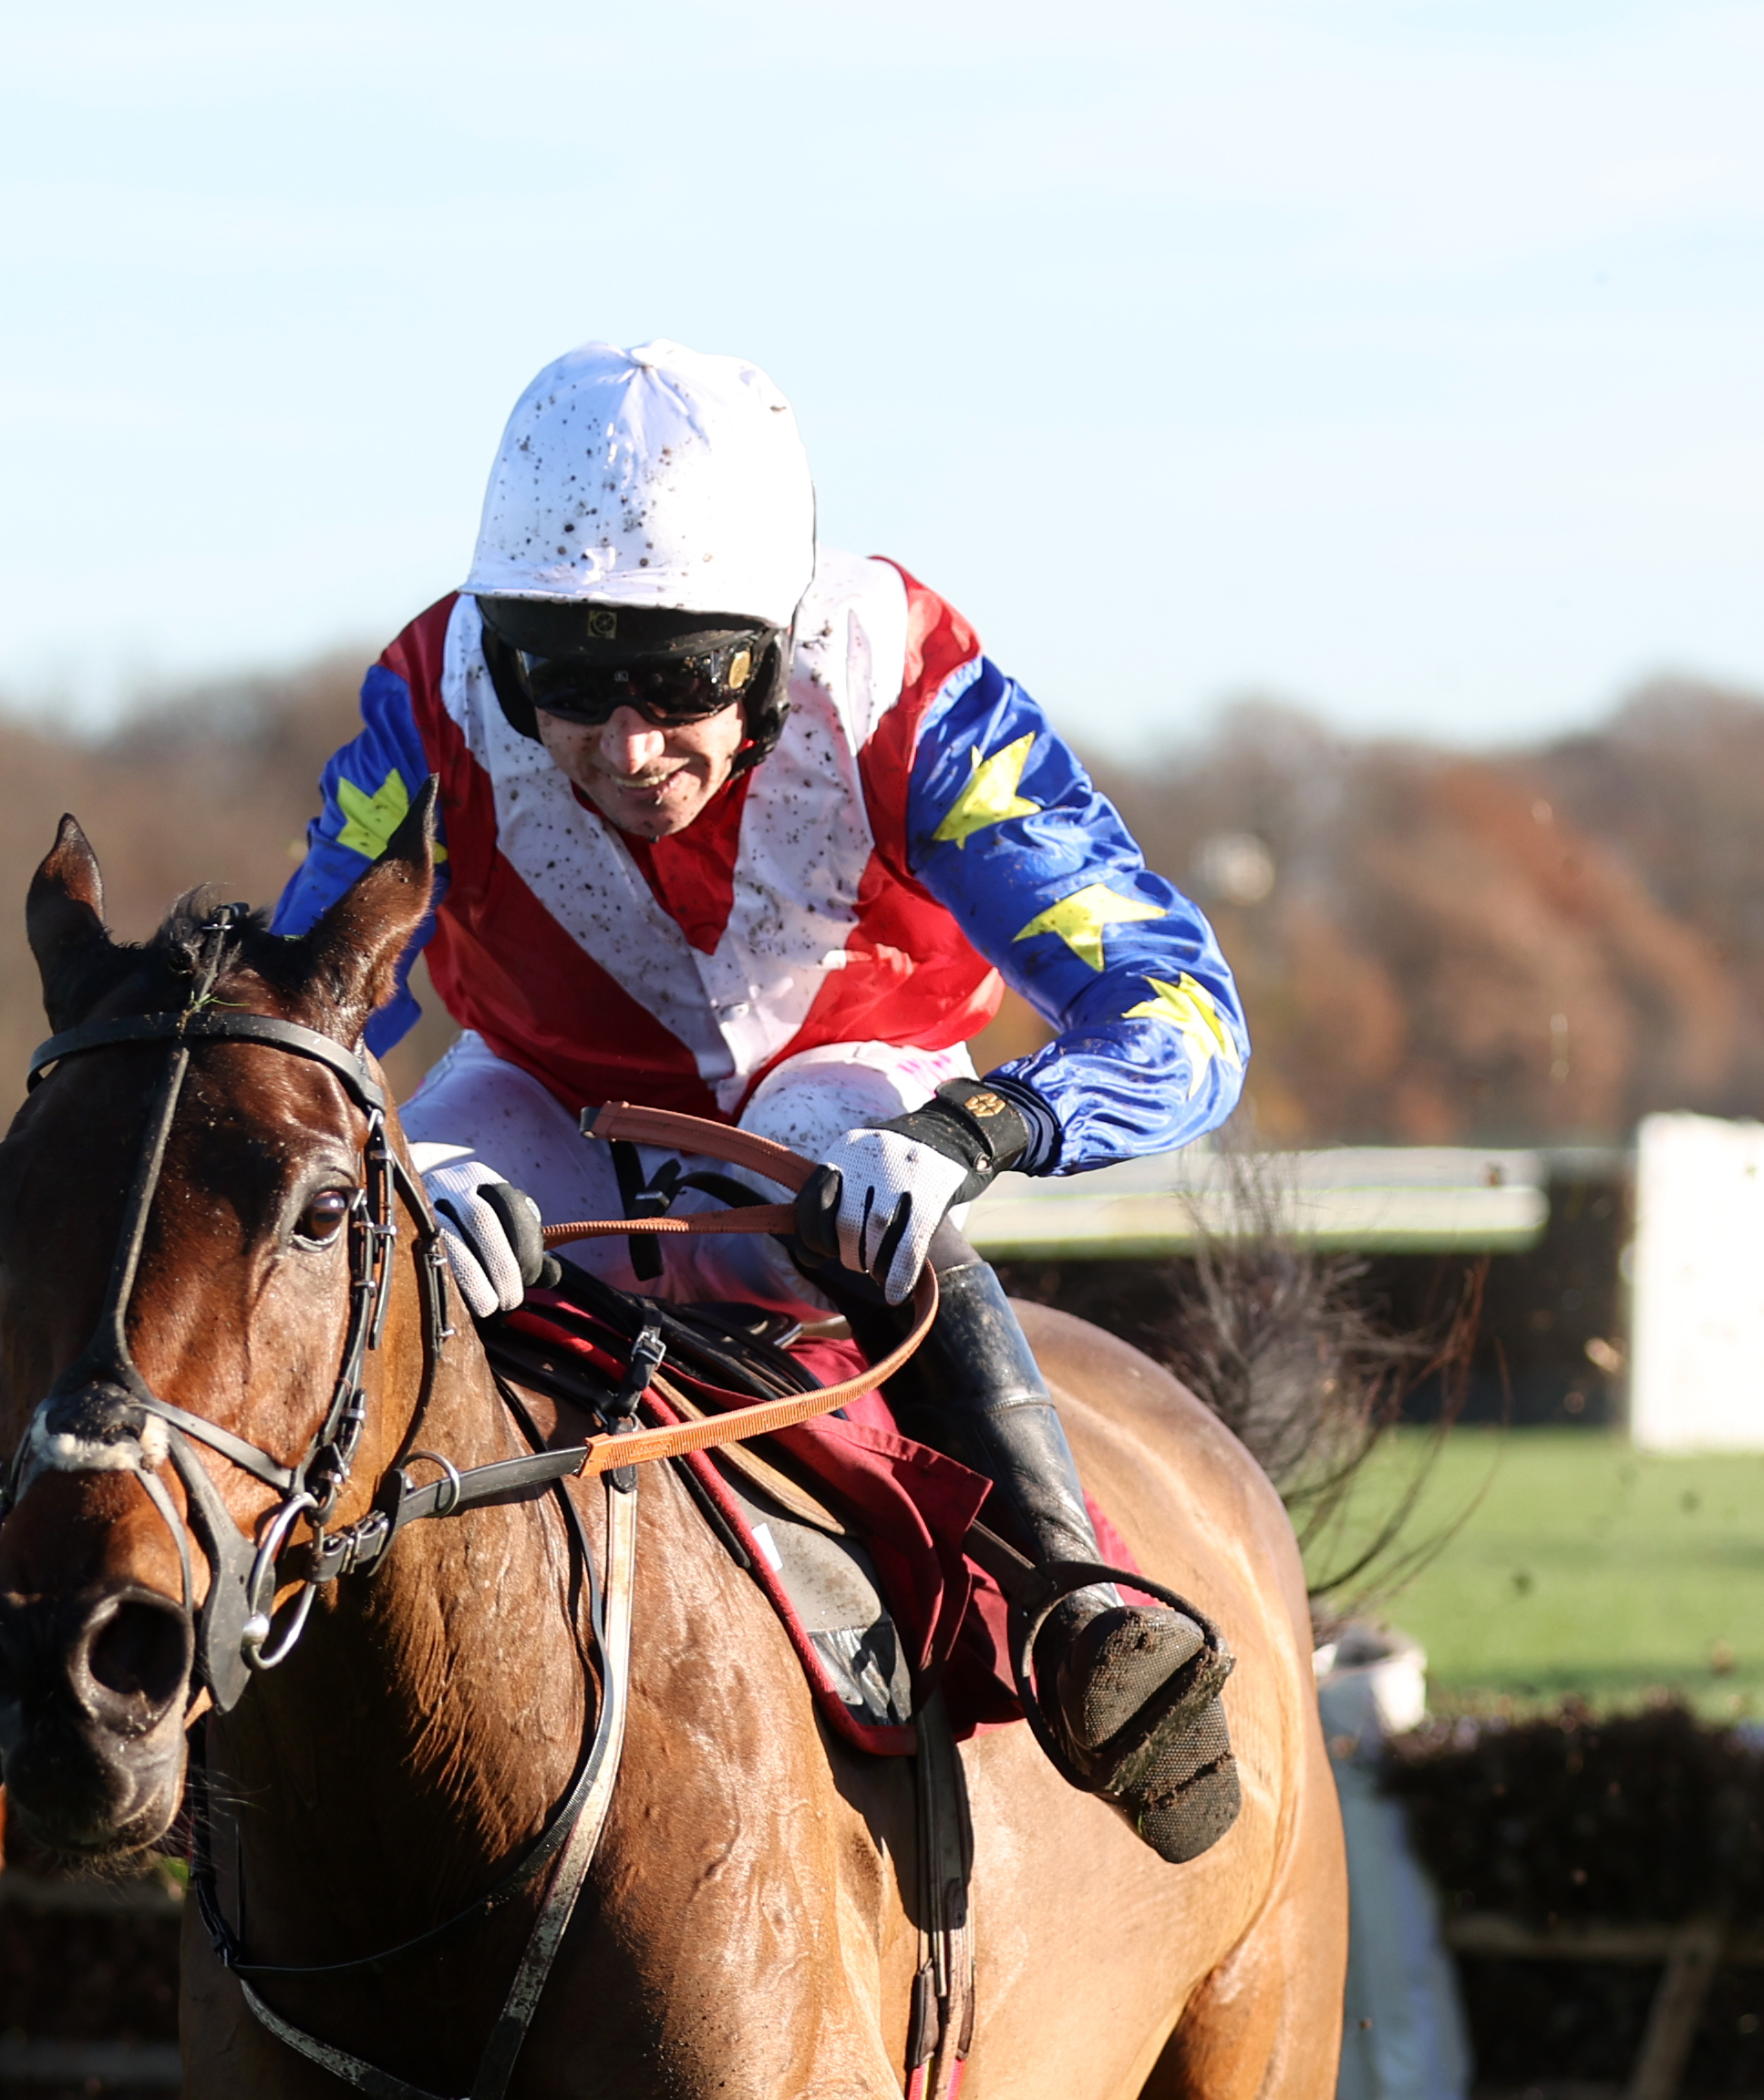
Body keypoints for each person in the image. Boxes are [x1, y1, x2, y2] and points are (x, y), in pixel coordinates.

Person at [272, 339, 1250, 1857]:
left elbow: (1182, 1013)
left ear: (779, 645)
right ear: (500, 647)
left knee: (820, 1156)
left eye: (683, 680)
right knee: (313, 1235)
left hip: (851, 1101)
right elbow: (297, 1009)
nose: (628, 745)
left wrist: (980, 1127)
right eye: (569, 685)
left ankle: (1072, 1606)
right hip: (544, 1102)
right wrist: (381, 1157)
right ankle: (47, 1678)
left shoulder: (909, 689)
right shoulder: (433, 694)